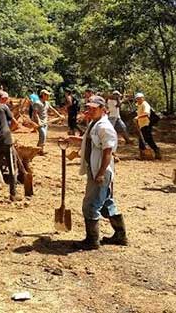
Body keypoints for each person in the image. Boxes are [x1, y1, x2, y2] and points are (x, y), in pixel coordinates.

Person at [63, 96, 126, 250]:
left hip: (100, 171)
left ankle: (92, 241)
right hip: (95, 169)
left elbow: (107, 152)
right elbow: (88, 142)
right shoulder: (94, 124)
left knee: (90, 205)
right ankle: (120, 235)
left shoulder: (105, 127)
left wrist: (101, 173)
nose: (90, 110)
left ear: (103, 109)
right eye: (89, 108)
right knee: (106, 204)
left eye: (94, 108)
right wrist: (71, 139)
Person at [133, 93, 161, 160]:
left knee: (147, 139)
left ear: (143, 98)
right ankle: (143, 155)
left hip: (146, 124)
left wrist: (138, 117)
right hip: (142, 125)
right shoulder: (139, 105)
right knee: (143, 139)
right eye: (137, 99)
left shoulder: (145, 104)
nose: (138, 100)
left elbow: (146, 113)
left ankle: (154, 152)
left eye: (140, 98)